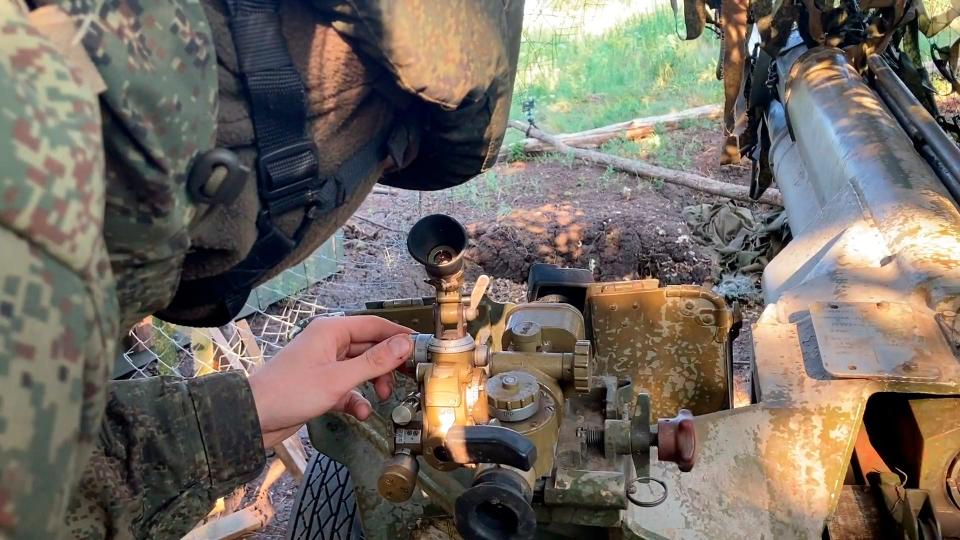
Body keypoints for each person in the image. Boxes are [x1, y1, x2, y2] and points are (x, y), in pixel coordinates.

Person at [0, 0, 523, 537]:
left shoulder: (54, 153)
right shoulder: (38, 233)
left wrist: (248, 414)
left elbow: (48, 479)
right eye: (385, 160)